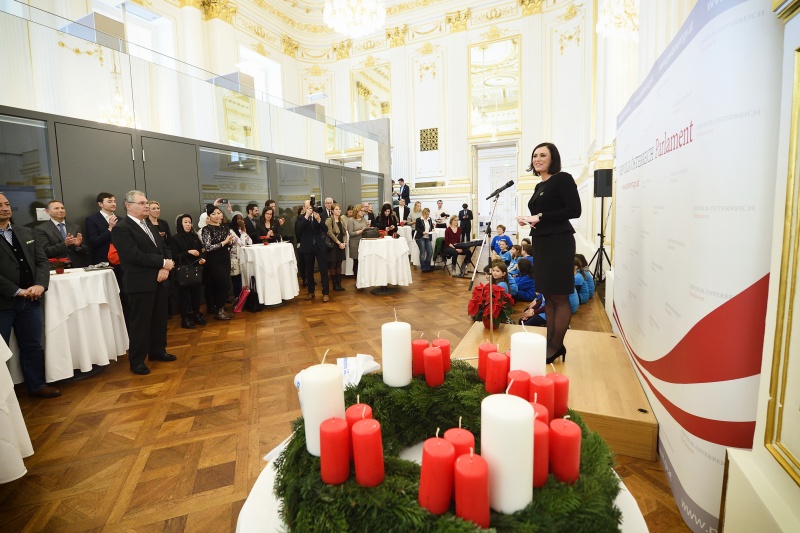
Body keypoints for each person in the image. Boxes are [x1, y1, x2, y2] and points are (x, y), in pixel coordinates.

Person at [516, 142, 581, 364]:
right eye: (535, 155)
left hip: (559, 242)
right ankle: (551, 342)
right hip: (542, 242)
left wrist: (540, 217)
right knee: (549, 296)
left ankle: (555, 345)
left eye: (543, 155)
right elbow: (543, 214)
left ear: (553, 158)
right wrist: (530, 220)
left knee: (560, 296)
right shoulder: (538, 187)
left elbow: (575, 210)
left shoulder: (562, 179)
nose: (538, 159)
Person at [0, 193, 59, 398]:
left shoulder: (25, 232)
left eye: (7, 204)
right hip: (4, 303)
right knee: (1, 351)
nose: (5, 208)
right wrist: (17, 291)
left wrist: (40, 285)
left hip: (31, 301)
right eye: (0, 205)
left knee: (33, 345)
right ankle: (4, 394)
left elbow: (42, 262)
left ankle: (37, 385)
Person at [111, 190, 176, 375]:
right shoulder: (122, 228)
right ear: (128, 206)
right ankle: (137, 360)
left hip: (160, 279)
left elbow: (164, 248)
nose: (146, 206)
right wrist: (162, 263)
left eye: (147, 202)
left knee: (159, 318)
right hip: (140, 282)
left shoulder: (149, 225)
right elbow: (132, 255)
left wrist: (165, 268)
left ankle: (158, 351)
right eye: (142, 203)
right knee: (140, 322)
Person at [171, 214, 207, 329]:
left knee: (197, 294)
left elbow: (200, 251)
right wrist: (188, 252)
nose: (188, 224)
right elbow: (174, 256)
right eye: (185, 222)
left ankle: (196, 314)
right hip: (183, 271)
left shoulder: (194, 236)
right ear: (180, 224)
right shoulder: (174, 238)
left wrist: (201, 258)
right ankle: (185, 318)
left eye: (190, 222)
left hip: (196, 269)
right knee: (184, 296)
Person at [34, 200, 90, 267]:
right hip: (56, 267)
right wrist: (65, 244)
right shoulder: (41, 229)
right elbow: (45, 251)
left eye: (62, 208)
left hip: (76, 266)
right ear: (47, 211)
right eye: (56, 208)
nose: (61, 210)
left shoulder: (75, 227)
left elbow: (86, 249)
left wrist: (78, 246)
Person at [201, 204, 234, 320]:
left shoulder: (224, 227)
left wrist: (229, 242)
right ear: (208, 216)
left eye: (218, 213)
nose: (217, 215)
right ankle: (219, 310)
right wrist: (224, 243)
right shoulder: (207, 229)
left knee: (224, 285)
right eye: (213, 214)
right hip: (214, 261)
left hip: (225, 258)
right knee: (224, 284)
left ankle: (220, 308)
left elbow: (230, 244)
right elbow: (208, 247)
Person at [296, 200, 330, 301]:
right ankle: (311, 292)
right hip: (307, 246)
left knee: (323, 270)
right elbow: (299, 230)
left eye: (311, 207)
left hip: (319, 246)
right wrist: (306, 216)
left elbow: (325, 230)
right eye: (308, 207)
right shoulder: (301, 218)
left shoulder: (318, 215)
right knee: (309, 270)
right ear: (304, 208)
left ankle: (325, 293)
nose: (310, 209)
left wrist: (319, 219)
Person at [85, 192, 119, 265]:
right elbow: (94, 241)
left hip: (120, 259)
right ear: (100, 204)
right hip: (102, 260)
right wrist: (110, 229)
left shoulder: (121, 219)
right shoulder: (92, 219)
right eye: (110, 202)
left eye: (114, 201)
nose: (113, 204)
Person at [229, 214, 253, 300]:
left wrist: (244, 231)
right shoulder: (231, 231)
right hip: (234, 258)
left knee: (242, 277)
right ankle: (236, 297)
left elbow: (250, 242)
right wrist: (243, 232)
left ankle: (243, 296)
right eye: (238, 219)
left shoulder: (242, 232)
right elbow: (241, 243)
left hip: (243, 258)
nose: (240, 220)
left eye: (241, 219)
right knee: (236, 278)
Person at [325, 203, 347, 292]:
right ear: (333, 211)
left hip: (341, 244)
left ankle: (339, 283)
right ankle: (334, 284)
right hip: (333, 245)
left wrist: (344, 243)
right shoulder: (329, 220)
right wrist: (338, 243)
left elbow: (344, 233)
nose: (339, 211)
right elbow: (329, 233)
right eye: (337, 209)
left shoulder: (341, 220)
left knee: (339, 263)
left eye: (339, 209)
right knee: (333, 264)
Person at [346, 204, 368, 282]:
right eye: (361, 211)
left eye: (363, 211)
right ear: (357, 211)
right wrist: (361, 231)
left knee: (363, 262)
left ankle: (363, 279)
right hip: (354, 243)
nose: (363, 212)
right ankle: (357, 280)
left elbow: (365, 230)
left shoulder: (363, 220)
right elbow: (351, 233)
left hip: (363, 242)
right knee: (356, 262)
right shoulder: (351, 220)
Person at [414, 207, 435, 273]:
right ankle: (423, 267)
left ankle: (427, 265)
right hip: (420, 237)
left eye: (428, 214)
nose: (427, 216)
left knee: (430, 252)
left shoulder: (430, 219)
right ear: (423, 213)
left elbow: (431, 227)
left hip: (427, 237)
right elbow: (417, 228)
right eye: (426, 214)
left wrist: (432, 229)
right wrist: (422, 232)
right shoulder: (419, 219)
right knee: (422, 252)